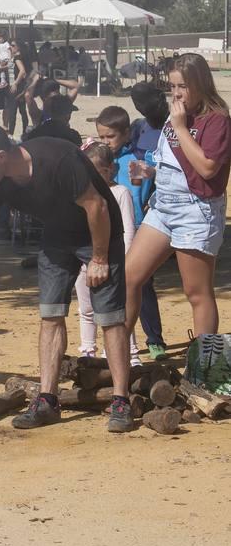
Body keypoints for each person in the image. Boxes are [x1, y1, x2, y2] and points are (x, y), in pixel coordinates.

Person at [0, 123, 133, 433]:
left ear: (0, 157)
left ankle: (121, 401)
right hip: (56, 236)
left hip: (98, 233)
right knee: (50, 315)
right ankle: (48, 401)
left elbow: (97, 206)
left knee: (109, 317)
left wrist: (100, 258)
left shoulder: (58, 159)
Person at [125, 53, 231, 340]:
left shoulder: (217, 120)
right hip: (163, 206)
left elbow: (207, 168)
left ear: (200, 83)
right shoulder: (176, 115)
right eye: (172, 87)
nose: (176, 93)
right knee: (129, 276)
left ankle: (203, 366)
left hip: (195, 210)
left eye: (182, 86)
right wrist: (149, 171)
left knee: (196, 292)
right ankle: (119, 352)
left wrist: (182, 126)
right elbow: (172, 162)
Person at [95, 104, 167, 360]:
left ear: (126, 134)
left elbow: (149, 187)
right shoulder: (96, 162)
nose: (106, 142)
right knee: (112, 289)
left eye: (110, 137)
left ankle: (155, 339)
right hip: (107, 231)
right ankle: (114, 343)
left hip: (137, 229)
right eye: (101, 136)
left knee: (142, 286)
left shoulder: (136, 160)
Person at [75, 141, 140, 366]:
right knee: (86, 309)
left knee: (116, 312)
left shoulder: (120, 192)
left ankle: (129, 353)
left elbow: (128, 229)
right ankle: (87, 352)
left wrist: (126, 261)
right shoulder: (82, 194)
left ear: (110, 169)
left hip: (113, 262)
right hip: (84, 260)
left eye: (97, 171)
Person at [5, 38, 33, 138]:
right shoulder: (21, 57)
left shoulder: (17, 58)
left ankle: (11, 134)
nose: (11, 47)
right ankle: (25, 132)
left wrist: (15, 83)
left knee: (13, 111)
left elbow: (22, 71)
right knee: (22, 111)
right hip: (21, 87)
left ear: (18, 47)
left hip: (15, 88)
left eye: (13, 45)